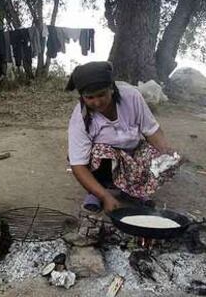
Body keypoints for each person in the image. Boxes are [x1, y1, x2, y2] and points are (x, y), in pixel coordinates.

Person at [67, 61, 178, 213]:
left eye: (101, 94)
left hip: (132, 154)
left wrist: (167, 153)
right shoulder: (80, 117)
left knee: (160, 155)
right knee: (103, 152)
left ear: (111, 89)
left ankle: (133, 191)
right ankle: (97, 192)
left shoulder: (131, 97)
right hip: (103, 163)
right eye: (90, 97)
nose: (97, 102)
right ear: (82, 97)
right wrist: (106, 197)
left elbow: (152, 131)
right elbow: (78, 165)